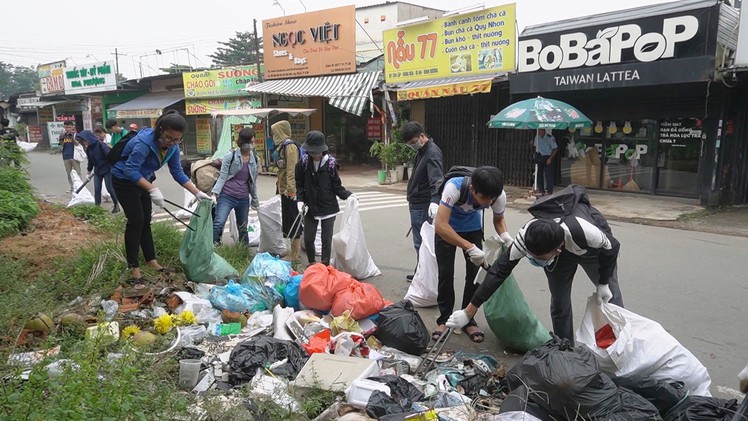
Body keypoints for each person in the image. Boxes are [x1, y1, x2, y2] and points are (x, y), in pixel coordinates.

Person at [446, 209, 624, 344]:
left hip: (592, 252)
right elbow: (497, 272)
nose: (532, 260)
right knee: (559, 302)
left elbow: (612, 247)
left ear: (557, 250)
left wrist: (603, 283)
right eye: (530, 255)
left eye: (537, 258)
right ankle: (565, 349)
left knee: (611, 295)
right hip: (557, 255)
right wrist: (468, 311)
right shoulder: (526, 239)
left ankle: (620, 343)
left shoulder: (584, 232)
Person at [111, 110, 211, 285]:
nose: (172, 143)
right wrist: (153, 189)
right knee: (136, 221)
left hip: (144, 179)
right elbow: (129, 170)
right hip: (124, 180)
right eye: (168, 138)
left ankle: (151, 260)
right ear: (160, 130)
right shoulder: (143, 143)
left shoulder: (173, 148)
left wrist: (197, 192)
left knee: (146, 221)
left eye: (176, 139)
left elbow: (178, 172)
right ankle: (133, 267)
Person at [433, 166, 512, 343]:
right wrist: (469, 247)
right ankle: (444, 320)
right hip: (447, 231)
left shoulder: (497, 195)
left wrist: (506, 236)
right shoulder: (454, 187)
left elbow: (498, 219)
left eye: (491, 200)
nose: (487, 203)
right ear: (472, 189)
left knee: (475, 276)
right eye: (483, 198)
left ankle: (468, 319)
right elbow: (440, 225)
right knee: (445, 274)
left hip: (473, 230)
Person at [296, 131, 353, 266]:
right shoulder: (303, 163)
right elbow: (299, 184)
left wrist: (348, 195)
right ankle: (312, 264)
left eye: (317, 152)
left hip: (328, 206)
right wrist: (300, 200)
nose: (314, 155)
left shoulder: (331, 164)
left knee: (326, 240)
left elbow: (336, 186)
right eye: (311, 152)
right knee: (309, 238)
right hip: (310, 207)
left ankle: (325, 266)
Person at [403, 121, 443, 281]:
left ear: (421, 136)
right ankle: (421, 272)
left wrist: (435, 199)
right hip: (417, 202)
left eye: (413, 142)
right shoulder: (422, 151)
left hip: (422, 203)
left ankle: (423, 276)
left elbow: (437, 179)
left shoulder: (431, 152)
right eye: (410, 144)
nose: (413, 146)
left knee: (421, 242)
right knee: (421, 241)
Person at [211, 128, 260, 246]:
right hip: (227, 196)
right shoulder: (231, 156)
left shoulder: (255, 159)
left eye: (253, 142)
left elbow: (253, 182)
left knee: (243, 227)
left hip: (243, 198)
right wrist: (214, 194)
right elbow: (222, 176)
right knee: (219, 222)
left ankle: (243, 252)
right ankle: (211, 247)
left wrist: (255, 201)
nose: (251, 145)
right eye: (249, 142)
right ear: (242, 142)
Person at [271, 120, 302, 261]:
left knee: (294, 220)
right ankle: (292, 252)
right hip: (284, 189)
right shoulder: (282, 146)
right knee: (288, 221)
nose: (274, 135)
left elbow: (291, 170)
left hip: (290, 191)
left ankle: (295, 254)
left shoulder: (290, 147)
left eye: (275, 132)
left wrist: (291, 190)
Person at [76, 129, 120, 213]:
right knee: (97, 189)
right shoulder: (89, 149)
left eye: (84, 141)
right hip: (98, 171)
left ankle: (116, 204)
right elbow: (90, 161)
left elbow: (109, 156)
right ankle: (97, 207)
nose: (84, 143)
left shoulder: (101, 145)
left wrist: (114, 167)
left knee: (110, 188)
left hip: (107, 169)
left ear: (88, 138)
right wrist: (88, 172)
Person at [533, 128, 558, 196]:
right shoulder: (537, 137)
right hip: (540, 156)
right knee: (539, 173)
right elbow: (536, 147)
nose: (539, 132)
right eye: (538, 131)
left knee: (548, 174)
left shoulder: (550, 138)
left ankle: (549, 190)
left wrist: (550, 158)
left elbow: (555, 149)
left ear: (543, 131)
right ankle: (541, 190)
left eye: (540, 131)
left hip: (548, 156)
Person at [59, 120, 81, 192]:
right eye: (66, 127)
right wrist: (62, 137)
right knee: (69, 173)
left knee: (77, 172)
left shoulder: (76, 134)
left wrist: (72, 137)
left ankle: (79, 186)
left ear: (72, 127)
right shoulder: (62, 134)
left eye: (69, 127)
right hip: (66, 156)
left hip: (74, 156)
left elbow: (77, 144)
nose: (68, 129)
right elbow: (61, 144)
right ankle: (71, 187)